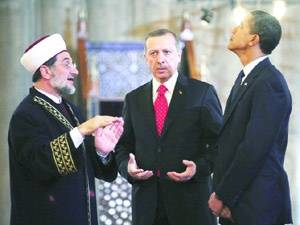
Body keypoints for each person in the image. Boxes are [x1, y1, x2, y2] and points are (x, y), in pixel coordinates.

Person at [8, 33, 124, 225]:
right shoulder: (26, 115)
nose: (75, 71)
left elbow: (90, 169)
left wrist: (101, 151)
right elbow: (42, 164)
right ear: (46, 71)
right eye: (67, 64)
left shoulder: (73, 110)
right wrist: (81, 131)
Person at [115, 28, 223, 225]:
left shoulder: (202, 93)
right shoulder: (133, 99)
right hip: (147, 207)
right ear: (146, 58)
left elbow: (219, 144)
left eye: (167, 52)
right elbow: (123, 146)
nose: (160, 59)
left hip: (191, 205)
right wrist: (127, 169)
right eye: (153, 53)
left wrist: (198, 168)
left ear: (178, 55)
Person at [208, 10, 293, 225]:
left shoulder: (270, 83)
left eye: (240, 27)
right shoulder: (247, 78)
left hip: (256, 204)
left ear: (253, 39)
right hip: (239, 201)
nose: (232, 30)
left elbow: (253, 148)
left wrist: (223, 194)